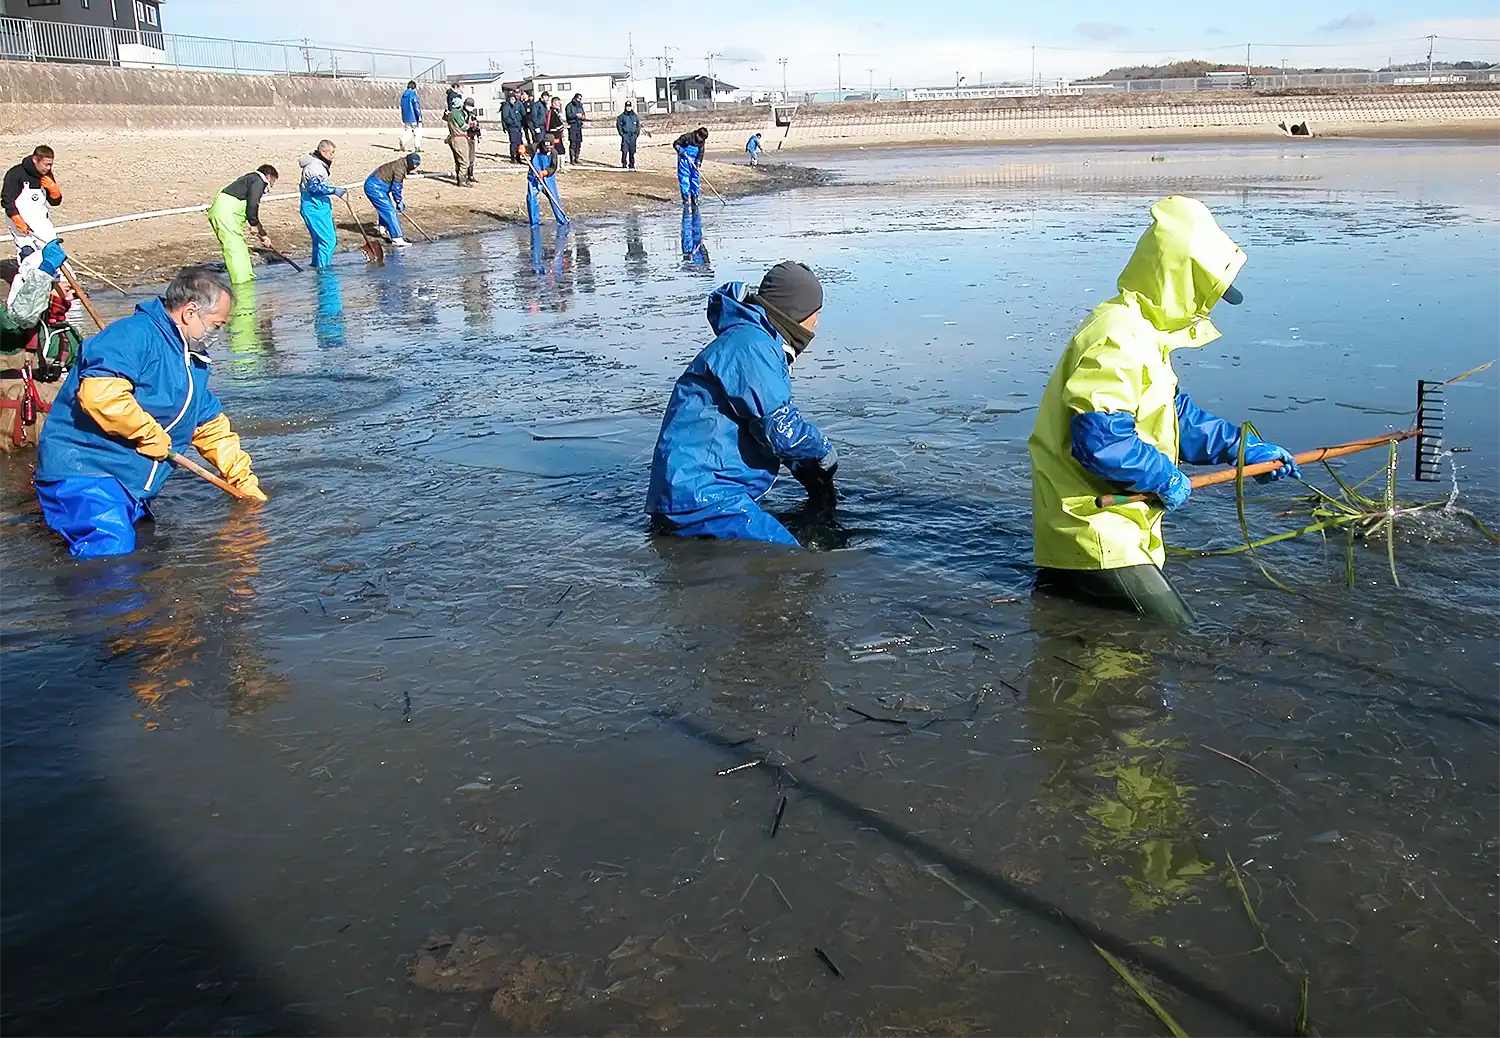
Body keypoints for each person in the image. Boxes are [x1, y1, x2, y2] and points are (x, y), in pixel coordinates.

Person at [1027, 195, 1301, 624]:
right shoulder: (1117, 337)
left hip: (1118, 526)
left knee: (1084, 632)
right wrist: (1163, 476)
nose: (1207, 307)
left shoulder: (1146, 335)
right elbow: (1100, 440)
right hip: (1092, 528)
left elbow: (1177, 418)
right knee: (1178, 635)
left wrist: (1244, 448)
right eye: (1206, 293)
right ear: (1180, 281)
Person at [35, 265, 266, 559]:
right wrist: (147, 432)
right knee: (111, 556)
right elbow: (100, 395)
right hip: (85, 473)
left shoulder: (192, 362)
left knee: (147, 557)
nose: (216, 335)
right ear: (190, 312)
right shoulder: (132, 335)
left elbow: (210, 426)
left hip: (131, 486)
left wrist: (243, 480)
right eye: (216, 325)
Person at [646, 261, 837, 546]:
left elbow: (762, 429)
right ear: (797, 312)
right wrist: (823, 451)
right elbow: (781, 432)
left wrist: (811, 477)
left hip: (691, 492)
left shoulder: (754, 340)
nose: (817, 324)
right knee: (791, 562)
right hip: (701, 498)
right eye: (816, 315)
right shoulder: (753, 345)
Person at [0, 240, 79, 452]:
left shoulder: (67, 335)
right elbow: (23, 316)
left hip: (48, 432)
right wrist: (43, 273)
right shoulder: (9, 324)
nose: (73, 296)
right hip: (8, 431)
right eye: (66, 288)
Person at [207, 165, 277, 285]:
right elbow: (253, 205)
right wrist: (253, 224)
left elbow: (251, 211)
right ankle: (240, 282)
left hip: (229, 216)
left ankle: (247, 277)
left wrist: (263, 235)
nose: (272, 186)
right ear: (268, 176)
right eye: (273, 181)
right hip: (225, 214)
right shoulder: (258, 181)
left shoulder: (249, 180)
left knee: (240, 247)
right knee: (233, 248)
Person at [3, 145, 63, 249]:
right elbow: (7, 200)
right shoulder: (15, 173)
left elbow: (54, 203)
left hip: (40, 220)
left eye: (50, 165)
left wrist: (54, 191)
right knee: (27, 252)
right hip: (20, 220)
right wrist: (16, 219)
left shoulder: (47, 175)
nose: (48, 168)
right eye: (46, 165)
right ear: (35, 159)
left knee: (53, 251)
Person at [297, 140, 345, 269]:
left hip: (317, 206)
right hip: (314, 207)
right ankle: (323, 271)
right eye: (331, 153)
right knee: (328, 241)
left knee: (319, 241)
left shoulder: (318, 164)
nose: (333, 156)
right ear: (323, 152)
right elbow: (314, 188)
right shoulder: (315, 167)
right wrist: (334, 190)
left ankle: (315, 266)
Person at [364, 153, 420, 247]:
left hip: (378, 185)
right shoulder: (400, 168)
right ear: (410, 162)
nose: (415, 167)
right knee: (389, 210)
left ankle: (383, 228)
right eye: (414, 164)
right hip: (375, 187)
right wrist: (398, 201)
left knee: (385, 208)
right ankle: (396, 238)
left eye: (417, 165)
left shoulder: (402, 164)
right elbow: (396, 187)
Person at [526, 138, 568, 227]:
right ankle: (534, 223)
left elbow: (554, 167)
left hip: (548, 178)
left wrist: (546, 172)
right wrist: (521, 149)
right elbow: (525, 149)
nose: (549, 149)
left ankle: (562, 220)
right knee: (531, 198)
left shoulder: (554, 153)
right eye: (547, 148)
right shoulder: (534, 147)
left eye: (550, 147)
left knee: (554, 198)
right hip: (534, 177)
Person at [446, 98, 480, 186]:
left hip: (453, 138)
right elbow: (463, 126)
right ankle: (462, 180)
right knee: (465, 161)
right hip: (459, 138)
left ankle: (460, 179)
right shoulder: (456, 113)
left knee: (458, 160)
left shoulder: (450, 113)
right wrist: (472, 125)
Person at [673, 127, 708, 202]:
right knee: (684, 178)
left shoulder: (701, 142)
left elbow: (701, 153)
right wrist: (680, 150)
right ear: (697, 134)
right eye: (701, 138)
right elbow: (675, 143)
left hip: (694, 161)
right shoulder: (687, 137)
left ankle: (694, 198)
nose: (702, 140)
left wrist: (698, 162)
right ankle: (685, 199)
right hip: (684, 160)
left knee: (695, 178)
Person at [615, 101, 645, 170]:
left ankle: (632, 164)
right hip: (625, 135)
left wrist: (636, 134)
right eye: (627, 106)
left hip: (633, 136)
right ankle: (624, 163)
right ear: (625, 107)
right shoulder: (622, 116)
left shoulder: (634, 116)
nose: (628, 108)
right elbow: (618, 125)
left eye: (629, 106)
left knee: (632, 151)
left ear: (631, 107)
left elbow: (638, 125)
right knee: (624, 150)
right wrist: (622, 134)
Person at [501, 90, 526, 163]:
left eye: (513, 99)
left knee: (519, 141)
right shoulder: (506, 106)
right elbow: (505, 117)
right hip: (512, 126)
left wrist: (522, 123)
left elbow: (523, 113)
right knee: (513, 141)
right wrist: (512, 123)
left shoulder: (518, 104)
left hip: (518, 126)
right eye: (510, 99)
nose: (512, 100)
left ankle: (519, 156)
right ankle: (513, 156)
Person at [399, 80, 423, 152]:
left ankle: (403, 140)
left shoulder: (403, 96)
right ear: (414, 87)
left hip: (406, 117)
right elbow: (416, 107)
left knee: (408, 131)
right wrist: (419, 118)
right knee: (418, 132)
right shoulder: (413, 94)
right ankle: (417, 146)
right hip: (414, 117)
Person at [544, 97, 567, 167]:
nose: (559, 105)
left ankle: (561, 165)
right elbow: (551, 125)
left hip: (558, 134)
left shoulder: (557, 112)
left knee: (561, 150)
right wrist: (561, 127)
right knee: (557, 150)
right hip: (554, 135)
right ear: (553, 103)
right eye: (558, 103)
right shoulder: (552, 112)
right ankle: (556, 166)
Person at [565, 93, 587, 165]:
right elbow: (568, 115)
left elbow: (583, 113)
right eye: (578, 98)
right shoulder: (569, 106)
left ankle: (577, 158)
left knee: (579, 143)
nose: (579, 100)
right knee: (573, 143)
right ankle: (572, 159)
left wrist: (583, 117)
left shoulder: (580, 105)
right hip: (572, 125)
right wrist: (576, 115)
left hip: (579, 126)